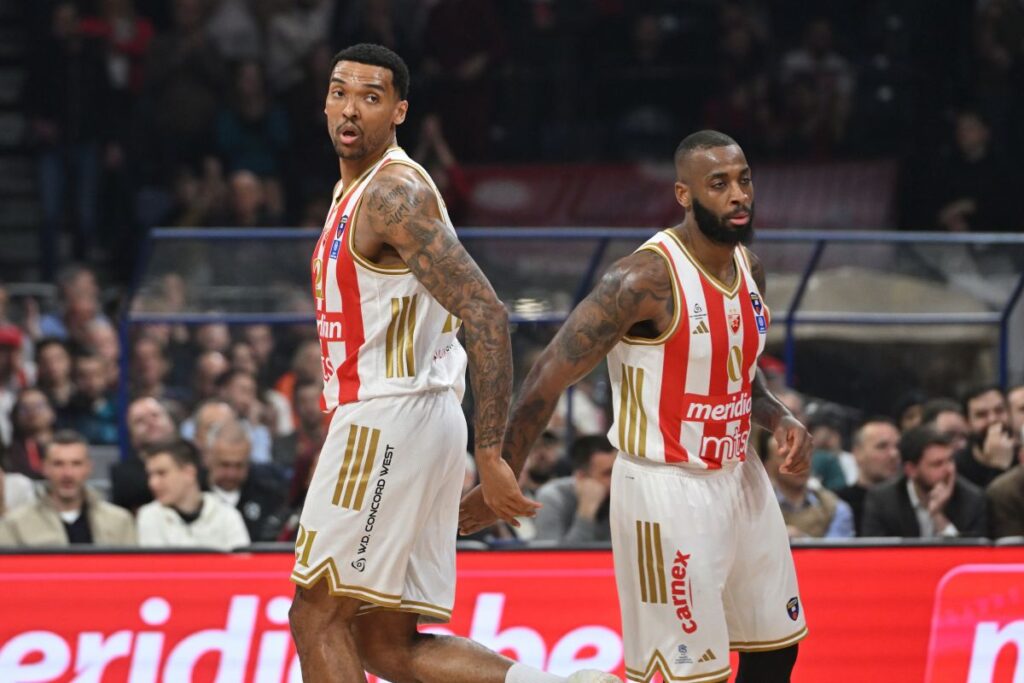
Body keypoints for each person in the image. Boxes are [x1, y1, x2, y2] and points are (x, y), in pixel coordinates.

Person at [287, 43, 611, 683]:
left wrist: (494, 457)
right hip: (412, 417)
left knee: (315, 614)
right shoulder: (355, 187)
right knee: (386, 645)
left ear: (399, 111)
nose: (350, 109)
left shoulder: (393, 195)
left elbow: (488, 314)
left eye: (371, 97)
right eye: (339, 92)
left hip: (388, 419)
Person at [463, 129, 812, 683]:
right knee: (690, 677)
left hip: (740, 478)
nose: (738, 194)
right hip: (666, 489)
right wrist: (501, 469)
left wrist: (780, 418)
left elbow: (742, 380)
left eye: (744, 180)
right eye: (718, 184)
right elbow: (547, 375)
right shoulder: (643, 279)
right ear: (684, 194)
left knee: (776, 654)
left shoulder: (751, 270)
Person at [0, 431, 135, 546]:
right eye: (58, 464)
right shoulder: (15, 524)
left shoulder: (120, 521)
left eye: (76, 464)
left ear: (88, 468)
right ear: (45, 468)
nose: (68, 474)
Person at [862, 425, 987, 538]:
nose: (949, 470)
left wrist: (938, 516)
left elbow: (969, 558)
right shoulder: (882, 501)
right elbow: (876, 556)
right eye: (937, 464)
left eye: (950, 460)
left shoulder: (972, 500)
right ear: (911, 470)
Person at [137, 439, 250, 549]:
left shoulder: (228, 516)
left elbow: (242, 565)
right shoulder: (149, 516)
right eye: (150, 475)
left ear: (189, 473)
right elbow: (156, 566)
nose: (153, 483)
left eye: (162, 473)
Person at [533, 435, 616, 544]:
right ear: (581, 477)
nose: (616, 480)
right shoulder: (552, 497)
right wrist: (586, 512)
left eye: (618, 472)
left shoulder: (622, 496)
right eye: (608, 473)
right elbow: (552, 558)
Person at [837, 417, 901, 535]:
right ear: (857, 453)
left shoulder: (910, 501)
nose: (894, 454)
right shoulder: (837, 504)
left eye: (897, 446)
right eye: (882, 446)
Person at [954, 385, 1015, 488]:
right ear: (967, 423)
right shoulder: (957, 468)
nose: (993, 420)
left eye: (999, 410)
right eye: (981, 415)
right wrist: (998, 468)